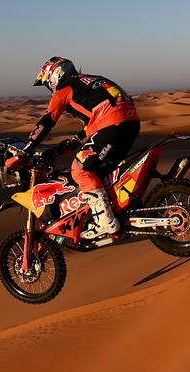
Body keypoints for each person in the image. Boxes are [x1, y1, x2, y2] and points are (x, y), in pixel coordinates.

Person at [21, 57, 140, 239]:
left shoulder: (65, 89)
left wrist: (28, 148)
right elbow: (98, 113)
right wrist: (75, 141)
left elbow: (46, 122)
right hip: (130, 122)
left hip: (111, 125)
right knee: (106, 170)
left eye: (47, 83)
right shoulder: (92, 80)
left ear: (54, 75)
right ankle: (127, 207)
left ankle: (106, 222)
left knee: (80, 170)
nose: (49, 88)